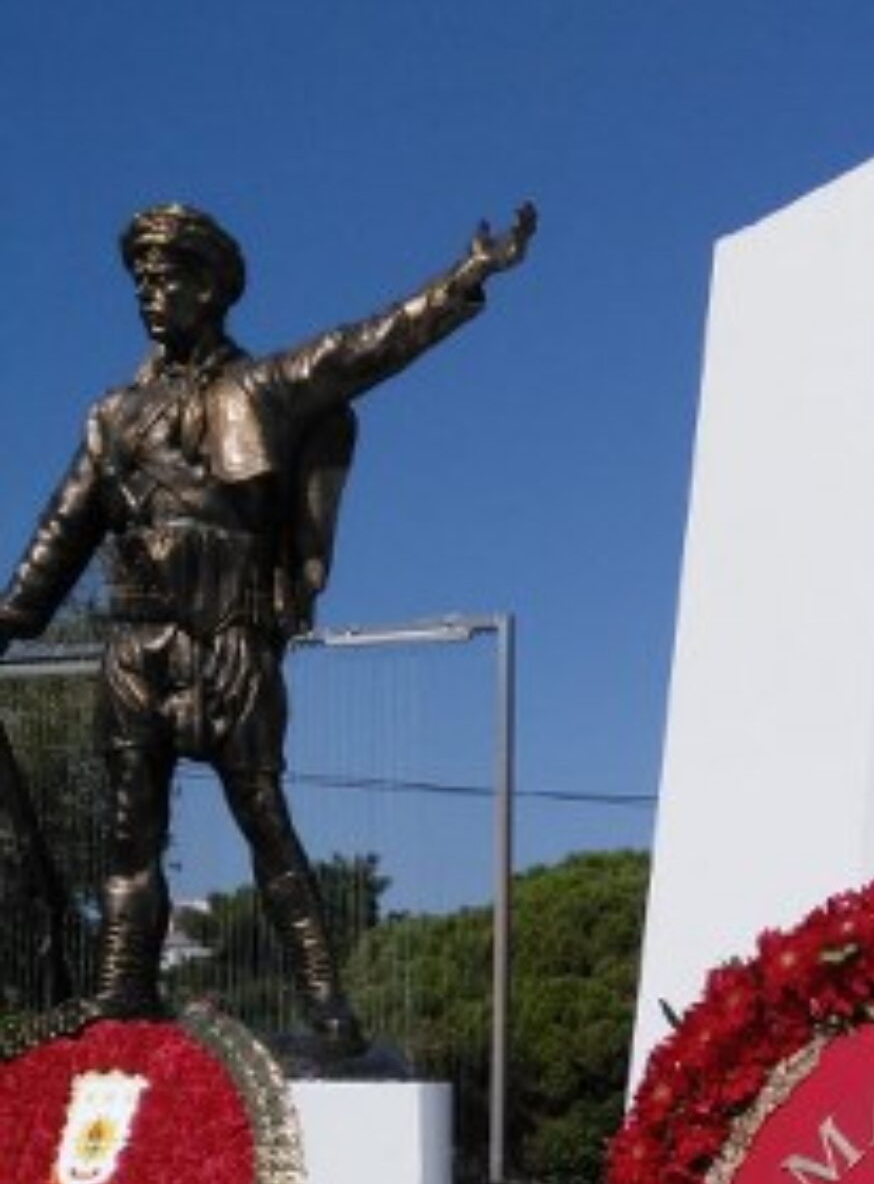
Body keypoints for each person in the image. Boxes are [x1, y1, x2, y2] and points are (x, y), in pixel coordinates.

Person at [0, 199, 535, 1048]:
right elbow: (63, 526)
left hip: (233, 644)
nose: (149, 292)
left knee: (264, 817)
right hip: (137, 646)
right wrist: (11, 616)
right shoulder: (111, 417)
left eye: (166, 277)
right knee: (130, 829)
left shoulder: (267, 388)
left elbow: (370, 346)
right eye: (140, 278)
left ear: (210, 290)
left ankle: (325, 997)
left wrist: (463, 280)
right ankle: (121, 991)